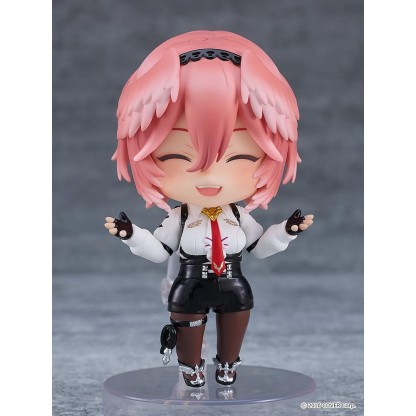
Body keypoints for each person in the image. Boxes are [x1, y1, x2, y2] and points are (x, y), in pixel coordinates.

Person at [104, 30, 313, 388]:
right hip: (190, 282)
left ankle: (228, 364)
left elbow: (259, 248)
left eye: (240, 157)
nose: (209, 174)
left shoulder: (239, 216)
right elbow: (159, 251)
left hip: (234, 281)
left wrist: (286, 232)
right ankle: (191, 367)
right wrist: (132, 235)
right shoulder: (181, 217)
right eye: (175, 156)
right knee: (188, 327)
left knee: (235, 323)